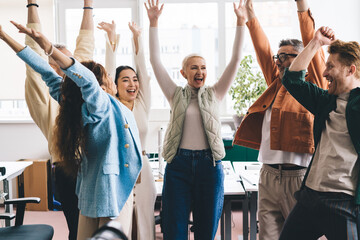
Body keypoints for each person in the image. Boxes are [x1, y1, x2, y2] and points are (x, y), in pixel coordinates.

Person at [0, 23, 143, 240]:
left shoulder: (73, 104)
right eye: (106, 77)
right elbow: (84, 79)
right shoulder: (100, 104)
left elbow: (45, 71)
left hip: (90, 190)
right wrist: (48, 47)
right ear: (100, 84)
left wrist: (4, 36)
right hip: (112, 192)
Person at [145, 0, 245, 239]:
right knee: (174, 229)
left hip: (209, 167)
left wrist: (241, 22)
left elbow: (235, 60)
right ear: (183, 72)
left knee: (206, 229)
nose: (200, 71)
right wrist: (154, 23)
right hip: (178, 166)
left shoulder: (215, 93)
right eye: (193, 67)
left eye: (203, 67)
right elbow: (155, 61)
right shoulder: (175, 94)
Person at [232, 0, 328, 238]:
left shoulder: (312, 87)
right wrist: (250, 15)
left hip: (299, 177)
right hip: (267, 175)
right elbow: (262, 49)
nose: (281, 61)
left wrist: (301, 6)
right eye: (280, 56)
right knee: (267, 236)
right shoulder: (275, 83)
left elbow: (311, 43)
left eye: (290, 56)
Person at [279, 27, 360, 240]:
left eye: (331, 66)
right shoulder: (325, 100)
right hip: (310, 196)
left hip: (342, 201)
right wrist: (315, 42)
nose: (324, 73)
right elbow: (292, 80)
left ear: (351, 70)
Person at [24, 1, 94, 239]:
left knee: (96, 228)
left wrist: (88, 6)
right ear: (52, 67)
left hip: (94, 165)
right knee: (78, 229)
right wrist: (32, 4)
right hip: (68, 168)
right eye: (64, 62)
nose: (72, 65)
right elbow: (32, 56)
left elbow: (85, 47)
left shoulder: (82, 89)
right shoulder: (46, 100)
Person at [98, 21, 157, 239]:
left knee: (144, 220)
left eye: (134, 80)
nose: (132, 84)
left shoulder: (142, 104)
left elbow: (144, 71)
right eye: (125, 80)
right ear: (115, 84)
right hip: (119, 169)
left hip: (143, 169)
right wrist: (112, 39)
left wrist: (137, 39)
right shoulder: (111, 104)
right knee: (120, 222)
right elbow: (108, 71)